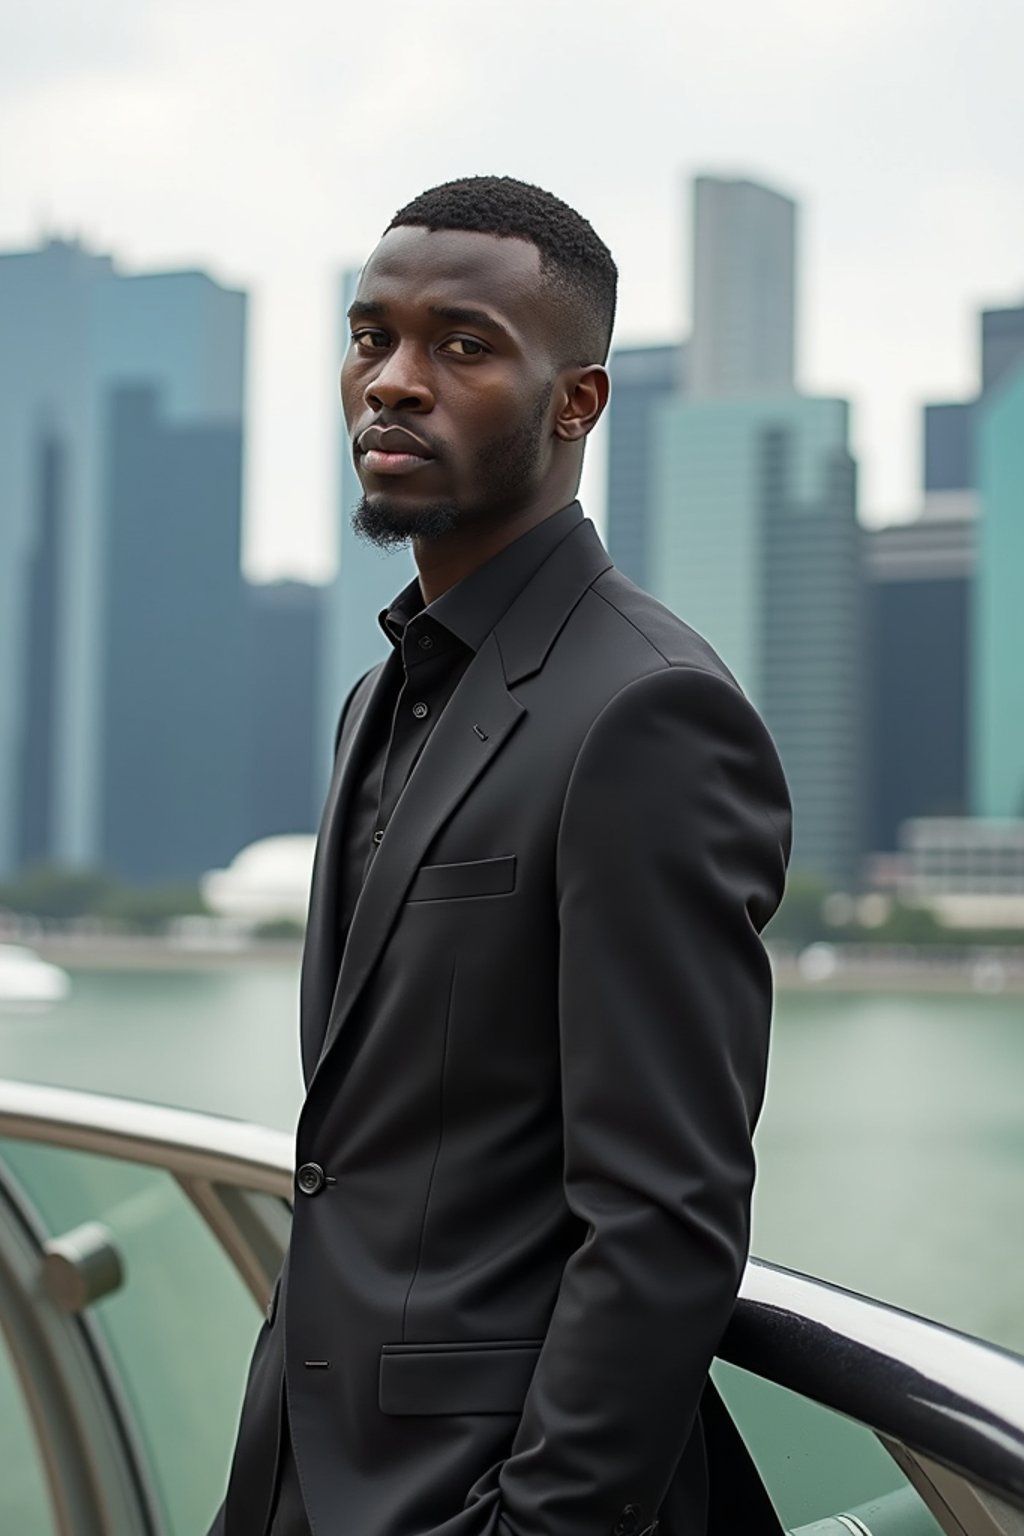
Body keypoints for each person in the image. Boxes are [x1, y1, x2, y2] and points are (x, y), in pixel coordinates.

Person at [208, 175, 791, 1536]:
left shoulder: (649, 711)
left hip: (475, 1502)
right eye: (371, 338)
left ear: (577, 401)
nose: (392, 384)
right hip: (301, 1467)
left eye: (462, 347)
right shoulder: (381, 693)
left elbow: (665, 1219)